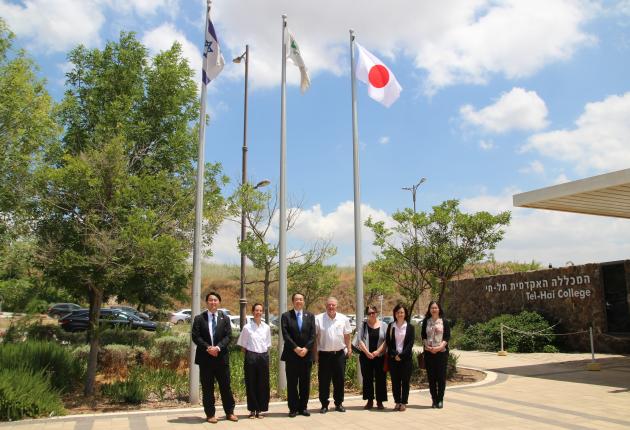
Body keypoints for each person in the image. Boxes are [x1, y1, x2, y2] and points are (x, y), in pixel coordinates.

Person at [191, 291, 238, 423]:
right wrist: (208, 348)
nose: (213, 302)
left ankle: (230, 412)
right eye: (210, 300)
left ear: (219, 302)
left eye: (215, 300)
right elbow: (196, 336)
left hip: (221, 357)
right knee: (207, 387)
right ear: (206, 302)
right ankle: (210, 414)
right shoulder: (199, 318)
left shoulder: (225, 318)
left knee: (225, 386)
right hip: (205, 358)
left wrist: (217, 348)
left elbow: (229, 336)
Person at [314, 296, 352, 414]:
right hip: (324, 355)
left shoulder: (343, 318)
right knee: (324, 381)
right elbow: (315, 338)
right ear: (326, 306)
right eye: (329, 305)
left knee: (339, 380)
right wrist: (315, 354)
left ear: (337, 306)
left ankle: (339, 403)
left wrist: (349, 348)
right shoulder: (318, 319)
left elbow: (347, 335)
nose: (331, 307)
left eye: (333, 305)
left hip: (339, 354)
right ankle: (324, 404)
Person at [281, 292, 316, 417]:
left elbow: (313, 335)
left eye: (301, 299)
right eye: (296, 299)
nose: (299, 301)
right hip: (291, 355)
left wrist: (306, 349)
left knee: (305, 383)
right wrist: (296, 348)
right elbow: (286, 335)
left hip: (306, 356)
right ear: (293, 301)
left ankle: (303, 407)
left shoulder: (310, 316)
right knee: (292, 383)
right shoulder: (286, 316)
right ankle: (293, 408)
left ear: (303, 301)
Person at [237, 303, 272, 419]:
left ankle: (260, 410)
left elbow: (267, 344)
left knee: (263, 384)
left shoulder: (266, 327)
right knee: (251, 383)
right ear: (252, 312)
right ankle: (252, 410)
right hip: (251, 356)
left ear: (262, 312)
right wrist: (249, 357)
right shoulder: (247, 328)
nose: (258, 312)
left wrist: (265, 357)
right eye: (256, 310)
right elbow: (243, 346)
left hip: (263, 357)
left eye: (260, 310)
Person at [354, 305, 387, 409]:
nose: (372, 315)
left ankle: (380, 401)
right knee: (367, 379)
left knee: (380, 379)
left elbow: (386, 341)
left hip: (380, 356)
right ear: (367, 315)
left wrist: (377, 352)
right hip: (365, 356)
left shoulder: (384, 325)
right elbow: (359, 341)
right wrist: (367, 352)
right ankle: (369, 401)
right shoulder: (363, 325)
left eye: (373, 312)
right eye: (369, 313)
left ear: (377, 313)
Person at [385, 303, 414, 412]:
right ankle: (397, 402)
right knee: (395, 381)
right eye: (398, 312)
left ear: (405, 313)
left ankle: (403, 402)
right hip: (393, 359)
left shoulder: (410, 327)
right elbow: (388, 341)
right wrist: (394, 354)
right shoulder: (391, 326)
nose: (400, 314)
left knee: (405, 381)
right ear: (395, 314)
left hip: (406, 359)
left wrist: (401, 355)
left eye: (402, 312)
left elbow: (410, 344)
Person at [421, 300, 450, 409]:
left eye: (436, 308)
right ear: (429, 309)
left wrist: (439, 348)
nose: (434, 309)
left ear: (439, 309)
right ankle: (434, 400)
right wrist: (427, 347)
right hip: (429, 353)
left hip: (441, 353)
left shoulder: (444, 321)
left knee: (441, 378)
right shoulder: (426, 321)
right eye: (432, 308)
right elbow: (423, 336)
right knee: (431, 378)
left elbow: (447, 337)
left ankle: (440, 400)